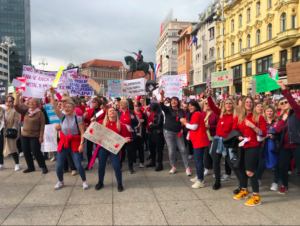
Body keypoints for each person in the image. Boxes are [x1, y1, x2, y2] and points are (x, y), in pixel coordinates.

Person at [49, 87, 88, 190]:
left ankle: (84, 181)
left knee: (78, 165)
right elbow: (53, 105)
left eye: (69, 107)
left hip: (75, 143)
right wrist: (52, 94)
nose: (66, 108)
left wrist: (82, 143)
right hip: (64, 142)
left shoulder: (77, 118)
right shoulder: (62, 117)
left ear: (73, 109)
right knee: (58, 166)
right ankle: (60, 181)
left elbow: (82, 131)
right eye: (65, 107)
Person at [232, 96, 267, 206]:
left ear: (253, 104)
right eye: (246, 102)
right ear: (243, 104)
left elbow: (263, 133)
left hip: (253, 146)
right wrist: (238, 137)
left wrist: (253, 126)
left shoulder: (259, 117)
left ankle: (256, 197)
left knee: (250, 172)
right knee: (241, 170)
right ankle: (244, 190)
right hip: (241, 146)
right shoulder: (238, 117)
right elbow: (234, 131)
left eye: (251, 102)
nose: (248, 104)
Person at [205, 88, 239, 191]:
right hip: (217, 140)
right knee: (215, 162)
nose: (228, 105)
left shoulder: (236, 117)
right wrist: (209, 96)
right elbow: (212, 106)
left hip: (228, 142)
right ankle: (217, 182)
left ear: (233, 105)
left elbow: (234, 131)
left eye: (230, 103)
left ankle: (242, 184)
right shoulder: (221, 114)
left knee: (231, 163)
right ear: (224, 105)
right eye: (226, 103)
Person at [94, 108, 131, 192]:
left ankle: (119, 183)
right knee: (101, 166)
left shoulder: (120, 124)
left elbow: (123, 137)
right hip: (103, 148)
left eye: (114, 110)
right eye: (110, 111)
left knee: (116, 166)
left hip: (114, 149)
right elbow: (93, 133)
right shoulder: (101, 123)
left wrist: (124, 140)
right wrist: (92, 123)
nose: (112, 111)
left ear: (116, 113)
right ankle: (100, 182)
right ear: (107, 114)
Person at [275, 80, 300, 194]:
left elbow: (293, 103)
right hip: (284, 146)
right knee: (282, 167)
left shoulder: (296, 113)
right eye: (282, 103)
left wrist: (283, 88)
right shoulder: (280, 117)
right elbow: (276, 130)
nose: (284, 103)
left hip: (296, 143)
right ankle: (285, 185)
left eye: (286, 102)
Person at [14, 92, 48, 174]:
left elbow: (42, 126)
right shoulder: (26, 111)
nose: (31, 103)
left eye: (33, 102)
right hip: (24, 135)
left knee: (36, 151)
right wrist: (18, 96)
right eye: (30, 102)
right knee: (26, 151)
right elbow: (15, 106)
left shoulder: (40, 113)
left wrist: (41, 136)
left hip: (35, 136)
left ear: (37, 104)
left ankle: (43, 166)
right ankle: (30, 167)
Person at [159, 90, 191, 176]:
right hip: (168, 132)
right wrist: (162, 95)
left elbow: (185, 120)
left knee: (183, 149)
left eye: (175, 100)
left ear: (178, 102)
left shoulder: (181, 111)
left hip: (178, 133)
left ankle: (187, 167)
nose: (174, 101)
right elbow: (161, 105)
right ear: (170, 102)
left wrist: (184, 122)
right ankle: (173, 166)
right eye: (172, 100)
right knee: (172, 150)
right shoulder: (167, 109)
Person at [180, 100, 210, 188]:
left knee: (199, 161)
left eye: (192, 105)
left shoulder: (196, 114)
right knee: (197, 161)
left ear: (196, 106)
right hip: (197, 140)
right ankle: (199, 176)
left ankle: (200, 180)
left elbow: (194, 127)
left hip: (199, 141)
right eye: (189, 105)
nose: (190, 107)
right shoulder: (196, 114)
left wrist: (185, 123)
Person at [256, 105, 280, 191]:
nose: (269, 113)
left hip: (274, 146)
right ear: (264, 112)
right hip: (262, 145)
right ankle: (258, 179)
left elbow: (280, 133)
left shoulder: (277, 122)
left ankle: (275, 182)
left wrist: (273, 135)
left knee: (276, 164)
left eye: (271, 111)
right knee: (261, 163)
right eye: (267, 111)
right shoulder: (262, 122)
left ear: (273, 112)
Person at [0, 97, 21, 171]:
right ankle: (1, 164)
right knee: (0, 148)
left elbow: (17, 121)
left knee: (12, 148)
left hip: (10, 130)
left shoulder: (14, 111)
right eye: (7, 101)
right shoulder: (2, 110)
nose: (8, 102)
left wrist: (14, 128)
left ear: (12, 103)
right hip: (1, 130)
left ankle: (17, 164)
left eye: (10, 101)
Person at [118, 99, 139, 174]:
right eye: (120, 103)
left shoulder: (131, 112)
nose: (121, 104)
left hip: (129, 136)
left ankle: (130, 167)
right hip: (120, 136)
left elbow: (136, 124)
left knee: (130, 153)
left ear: (126, 105)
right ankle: (119, 166)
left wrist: (133, 119)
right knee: (120, 153)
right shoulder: (118, 113)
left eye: (122, 103)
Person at [84, 97, 104, 170]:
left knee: (99, 149)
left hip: (98, 132)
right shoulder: (90, 110)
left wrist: (96, 121)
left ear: (98, 103)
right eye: (92, 102)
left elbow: (103, 120)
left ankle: (101, 163)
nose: (93, 103)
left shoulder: (102, 111)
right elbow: (87, 120)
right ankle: (89, 164)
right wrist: (85, 118)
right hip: (90, 131)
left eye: (95, 102)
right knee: (88, 149)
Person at [202, 98, 219, 176]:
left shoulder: (215, 113)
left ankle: (216, 170)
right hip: (204, 137)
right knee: (205, 155)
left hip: (213, 137)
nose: (207, 105)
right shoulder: (203, 113)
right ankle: (207, 168)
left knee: (213, 154)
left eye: (209, 103)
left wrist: (210, 127)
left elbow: (219, 126)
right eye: (206, 103)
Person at [146, 103, 164, 171]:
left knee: (159, 150)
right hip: (154, 133)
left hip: (158, 134)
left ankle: (160, 164)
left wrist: (151, 125)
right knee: (152, 148)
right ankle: (153, 162)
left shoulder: (160, 114)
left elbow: (159, 124)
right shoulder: (156, 114)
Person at [133, 101, 147, 168]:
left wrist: (143, 122)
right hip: (134, 133)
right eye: (135, 106)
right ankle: (134, 161)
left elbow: (146, 122)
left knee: (141, 148)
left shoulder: (142, 114)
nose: (137, 108)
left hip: (141, 133)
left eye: (138, 106)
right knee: (133, 148)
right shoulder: (132, 113)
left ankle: (141, 162)